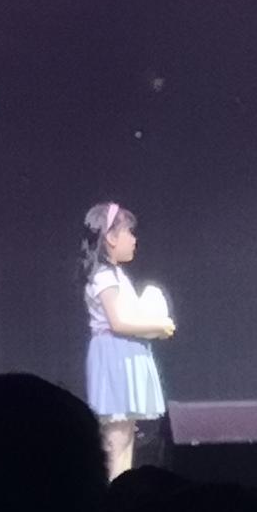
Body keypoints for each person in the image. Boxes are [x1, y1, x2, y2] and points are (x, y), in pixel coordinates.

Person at [80, 201, 176, 480]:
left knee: (125, 437)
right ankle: (114, 493)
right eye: (129, 233)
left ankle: (121, 489)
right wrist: (156, 325)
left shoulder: (116, 274)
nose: (134, 240)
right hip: (114, 356)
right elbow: (118, 322)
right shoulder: (103, 276)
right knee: (117, 439)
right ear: (110, 237)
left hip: (124, 353)